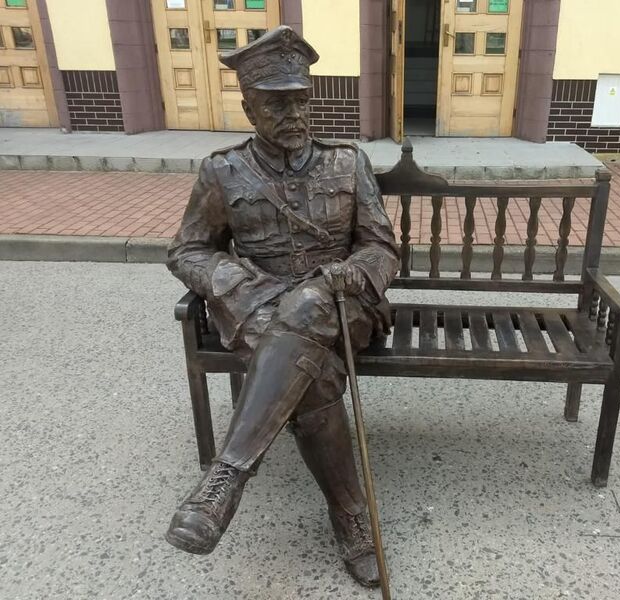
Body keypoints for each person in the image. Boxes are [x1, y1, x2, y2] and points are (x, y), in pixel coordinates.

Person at [164, 26, 399, 589]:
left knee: (312, 301)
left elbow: (383, 245)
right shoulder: (222, 172)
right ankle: (351, 517)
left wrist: (352, 272)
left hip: (343, 306)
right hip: (261, 313)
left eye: (300, 98)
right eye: (275, 102)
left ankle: (226, 476)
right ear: (248, 105)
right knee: (310, 376)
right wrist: (239, 287)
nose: (293, 112)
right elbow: (187, 250)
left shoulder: (347, 162)